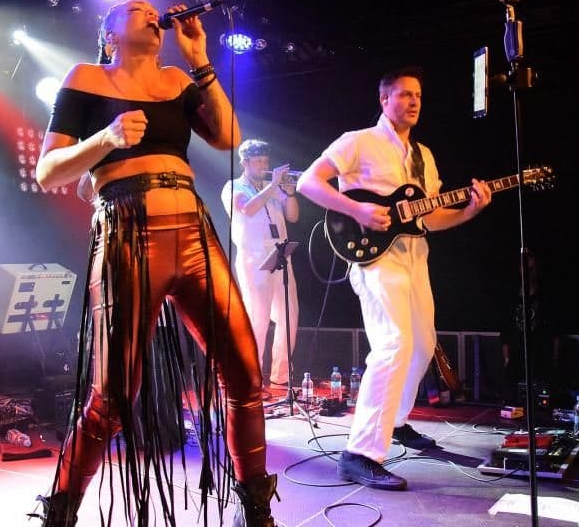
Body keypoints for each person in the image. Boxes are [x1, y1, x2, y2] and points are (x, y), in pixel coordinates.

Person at [35, 0, 276, 527]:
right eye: (135, 8)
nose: (150, 11)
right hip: (127, 233)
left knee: (245, 374)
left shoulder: (176, 80)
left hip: (193, 233)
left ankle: (257, 508)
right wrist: (106, 138)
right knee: (113, 397)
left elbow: (229, 136)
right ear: (109, 35)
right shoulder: (86, 77)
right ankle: (61, 509)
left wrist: (200, 59)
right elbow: (47, 171)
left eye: (152, 8)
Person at [296, 67, 492, 490]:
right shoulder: (358, 141)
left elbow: (430, 218)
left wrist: (470, 211)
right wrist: (357, 210)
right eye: (404, 94)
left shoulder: (424, 156)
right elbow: (309, 183)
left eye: (417, 94)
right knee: (393, 343)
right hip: (375, 260)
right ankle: (359, 453)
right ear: (384, 100)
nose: (413, 101)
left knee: (422, 345)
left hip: (415, 258)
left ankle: (396, 421)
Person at [221, 139, 299, 387]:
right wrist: (274, 184)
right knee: (258, 317)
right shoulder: (233, 186)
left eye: (265, 161)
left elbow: (293, 216)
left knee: (289, 315)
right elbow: (248, 208)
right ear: (244, 162)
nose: (263, 166)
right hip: (254, 257)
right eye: (258, 161)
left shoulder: (270, 187)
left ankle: (281, 376)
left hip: (281, 254)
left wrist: (289, 193)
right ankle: (251, 377)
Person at [500, 249, 561, 406]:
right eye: (525, 268)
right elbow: (506, 330)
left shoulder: (545, 297)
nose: (527, 272)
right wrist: (507, 358)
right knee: (513, 402)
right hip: (517, 356)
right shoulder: (512, 297)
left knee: (540, 402)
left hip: (540, 357)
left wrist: (554, 360)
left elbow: (555, 332)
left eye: (531, 269)